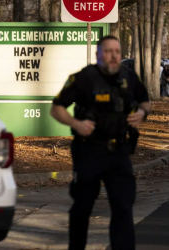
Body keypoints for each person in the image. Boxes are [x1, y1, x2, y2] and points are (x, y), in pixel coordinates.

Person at [50, 35, 151, 250]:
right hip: (89, 152)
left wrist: (142, 112)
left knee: (123, 207)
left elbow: (145, 100)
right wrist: (76, 124)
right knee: (82, 208)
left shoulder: (128, 77)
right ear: (98, 54)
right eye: (108, 51)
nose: (113, 56)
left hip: (119, 153)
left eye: (117, 51)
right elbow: (56, 108)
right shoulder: (83, 78)